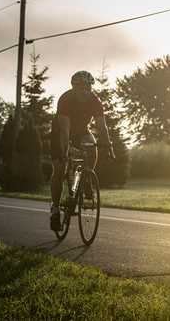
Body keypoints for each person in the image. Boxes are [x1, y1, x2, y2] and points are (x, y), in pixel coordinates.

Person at [49, 70, 114, 231]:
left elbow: (102, 126)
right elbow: (64, 131)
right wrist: (64, 152)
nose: (86, 91)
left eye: (89, 87)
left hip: (81, 131)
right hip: (61, 132)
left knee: (91, 146)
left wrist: (107, 145)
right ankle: (55, 209)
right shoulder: (66, 99)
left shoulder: (94, 100)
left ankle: (85, 178)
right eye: (82, 88)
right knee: (59, 169)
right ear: (74, 87)